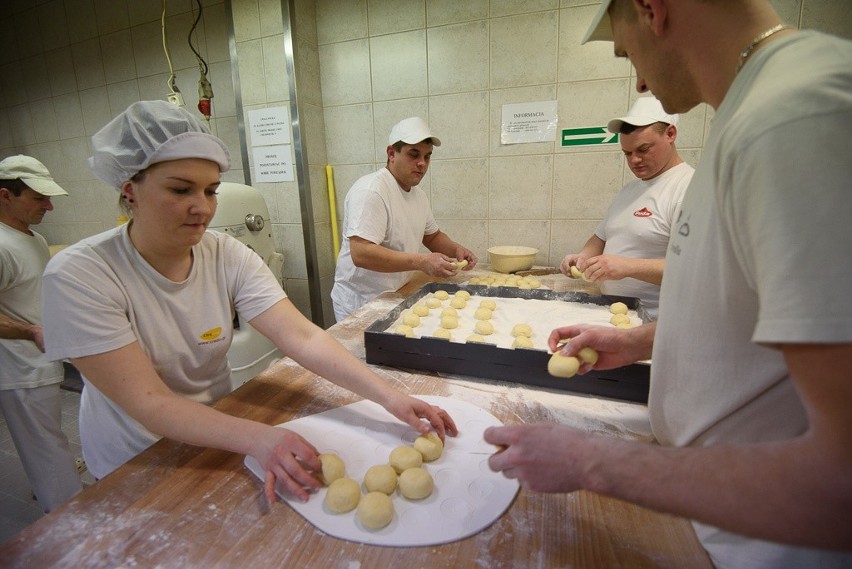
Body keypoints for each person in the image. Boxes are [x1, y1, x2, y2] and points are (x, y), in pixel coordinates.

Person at [485, 1, 852, 567]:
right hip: (718, 511)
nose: (639, 77)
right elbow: (741, 302)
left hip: (772, 545)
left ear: (651, 10)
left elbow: (841, 480)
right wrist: (640, 341)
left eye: (628, 52)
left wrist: (589, 461)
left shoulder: (798, 115)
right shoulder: (751, 115)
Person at [41, 101, 457, 505]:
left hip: (219, 434)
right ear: (130, 190)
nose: (202, 207)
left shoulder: (224, 253)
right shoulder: (81, 275)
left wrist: (390, 398)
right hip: (137, 460)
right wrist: (259, 437)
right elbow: (150, 402)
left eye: (210, 190)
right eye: (180, 189)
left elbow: (300, 336)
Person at [331, 117, 478, 322]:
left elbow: (432, 236)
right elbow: (361, 253)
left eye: (427, 157)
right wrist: (422, 262)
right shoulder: (372, 191)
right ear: (392, 153)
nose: (422, 163)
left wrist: (456, 250)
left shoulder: (418, 196)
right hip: (362, 302)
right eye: (413, 154)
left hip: (395, 293)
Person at [0, 155, 83, 512]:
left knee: (47, 441)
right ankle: (71, 528)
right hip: (21, 371)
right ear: (6, 196)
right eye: (38, 198)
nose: (49, 206)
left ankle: (53, 484)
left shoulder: (32, 237)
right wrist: (30, 329)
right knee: (46, 450)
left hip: (42, 362)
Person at [560, 95, 692, 318]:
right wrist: (583, 257)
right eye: (627, 153)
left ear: (670, 134)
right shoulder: (630, 190)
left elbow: (692, 268)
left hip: (655, 322)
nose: (634, 161)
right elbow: (601, 236)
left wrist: (627, 267)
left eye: (643, 149)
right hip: (615, 314)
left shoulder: (689, 188)